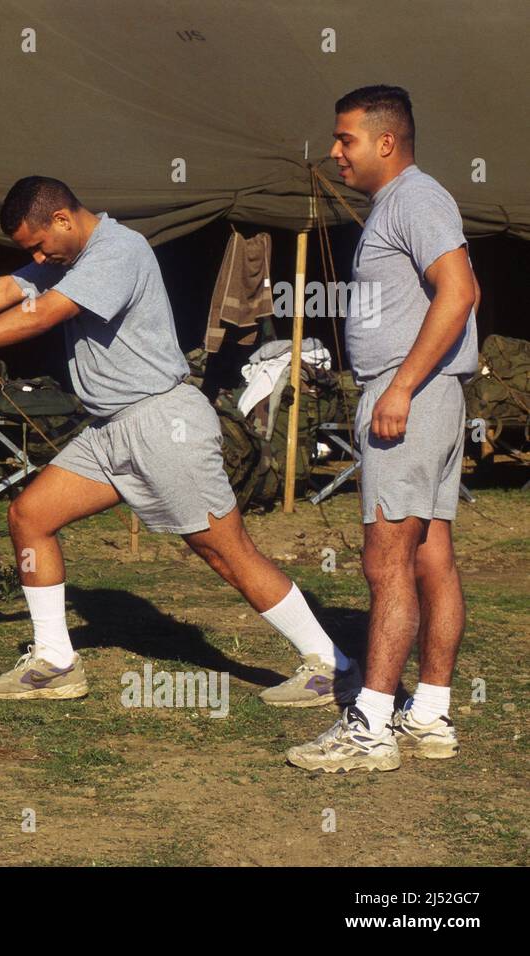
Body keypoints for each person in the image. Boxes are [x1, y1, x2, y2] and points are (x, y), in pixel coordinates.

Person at [0, 176, 357, 705]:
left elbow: (44, 314)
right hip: (110, 432)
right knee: (29, 517)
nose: (35, 256)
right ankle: (54, 662)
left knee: (224, 552)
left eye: (37, 244)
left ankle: (331, 663)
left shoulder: (119, 250)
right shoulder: (64, 257)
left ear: (62, 219)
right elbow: (10, 289)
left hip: (161, 422)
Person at [287, 86, 479, 773]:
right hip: (426, 394)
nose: (336, 152)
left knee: (384, 560)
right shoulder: (398, 206)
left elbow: (460, 291)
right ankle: (428, 715)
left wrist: (399, 387)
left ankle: (368, 724)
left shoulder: (415, 199)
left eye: (346, 140)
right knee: (428, 557)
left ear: (386, 141)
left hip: (411, 394)